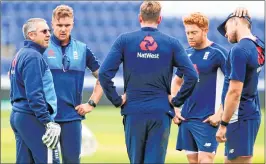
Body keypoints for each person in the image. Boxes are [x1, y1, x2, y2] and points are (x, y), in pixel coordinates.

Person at [98, 1, 198, 163]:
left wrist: (116, 100)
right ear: (160, 19)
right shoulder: (171, 43)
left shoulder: (124, 40)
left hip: (133, 110)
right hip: (160, 112)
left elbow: (103, 74)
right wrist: (176, 100)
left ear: (140, 18)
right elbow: (192, 75)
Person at [43, 5, 103, 163]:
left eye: (67, 25)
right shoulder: (41, 48)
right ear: (52, 24)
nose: (63, 29)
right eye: (59, 25)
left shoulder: (82, 49)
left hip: (72, 119)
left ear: (73, 24)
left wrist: (91, 103)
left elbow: (103, 78)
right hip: (47, 118)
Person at [171, 12, 228, 163]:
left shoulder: (219, 53)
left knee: (206, 160)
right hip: (187, 118)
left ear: (205, 30)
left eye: (194, 32)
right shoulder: (186, 54)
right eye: (188, 33)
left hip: (208, 119)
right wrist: (175, 108)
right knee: (193, 162)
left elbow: (233, 85)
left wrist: (221, 114)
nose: (190, 36)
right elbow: (176, 82)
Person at [216, 10, 265, 163]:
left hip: (240, 117)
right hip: (250, 112)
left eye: (226, 28)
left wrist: (223, 124)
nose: (225, 34)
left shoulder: (238, 50)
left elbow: (235, 92)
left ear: (236, 21)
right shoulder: (259, 44)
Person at [9, 18, 61, 163]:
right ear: (31, 35)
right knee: (51, 161)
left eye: (49, 31)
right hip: (32, 117)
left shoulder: (20, 54)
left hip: (19, 114)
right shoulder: (33, 56)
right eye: (44, 31)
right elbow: (34, 93)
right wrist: (47, 121)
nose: (49, 34)